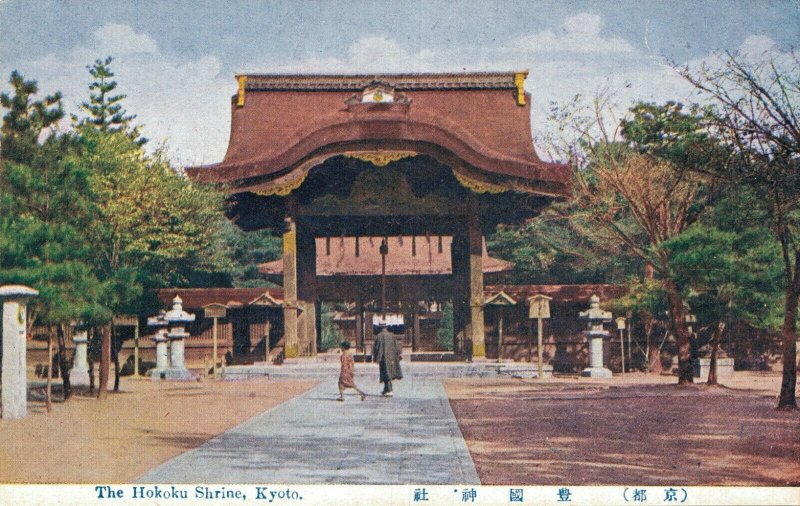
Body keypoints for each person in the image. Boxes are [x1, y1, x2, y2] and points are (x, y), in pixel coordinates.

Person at [372, 323, 402, 397]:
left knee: (386, 373)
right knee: (388, 372)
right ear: (386, 327)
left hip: (383, 357)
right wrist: (398, 355)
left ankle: (389, 390)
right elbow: (397, 347)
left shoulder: (379, 336)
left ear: (380, 327)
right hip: (392, 357)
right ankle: (386, 389)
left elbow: (376, 348)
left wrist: (376, 357)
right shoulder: (392, 335)